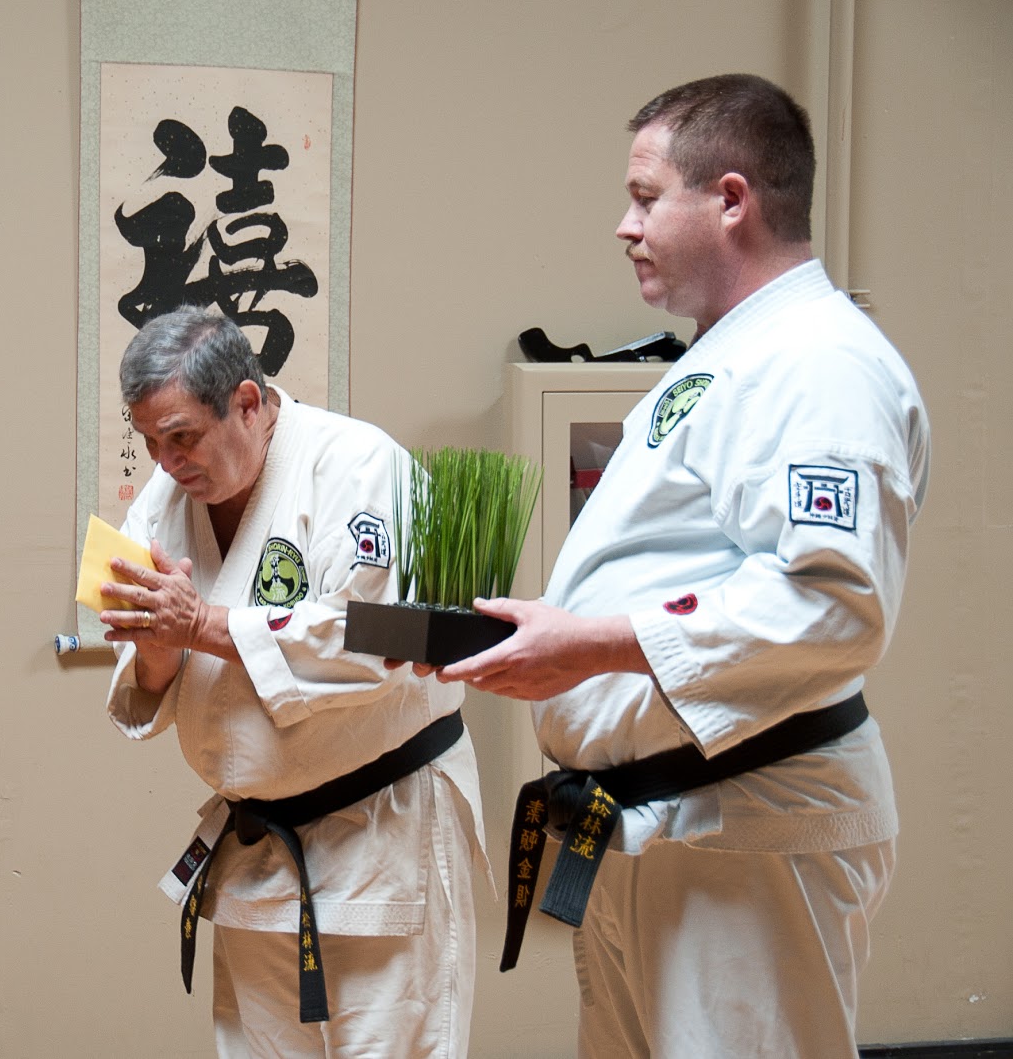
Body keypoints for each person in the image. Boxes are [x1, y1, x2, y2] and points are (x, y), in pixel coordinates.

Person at [430, 74, 930, 1057]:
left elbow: (830, 606)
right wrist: (563, 633)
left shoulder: (816, 363)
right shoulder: (727, 357)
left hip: (747, 829)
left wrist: (592, 644)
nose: (625, 225)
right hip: (661, 824)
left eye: (647, 197)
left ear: (731, 199)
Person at [98, 305, 486, 1058]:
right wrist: (153, 644)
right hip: (256, 854)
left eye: (182, 438)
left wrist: (205, 624)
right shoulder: (163, 503)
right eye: (150, 442)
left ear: (247, 402)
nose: (167, 462)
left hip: (380, 842)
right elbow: (155, 683)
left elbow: (381, 640)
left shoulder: (361, 467)